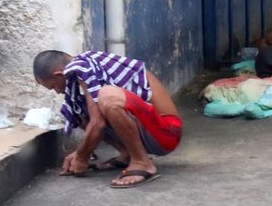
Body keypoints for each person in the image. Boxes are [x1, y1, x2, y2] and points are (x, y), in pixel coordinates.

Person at [33, 50, 182, 189]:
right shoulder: (84, 69)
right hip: (150, 130)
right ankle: (127, 155)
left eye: (53, 86)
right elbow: (94, 119)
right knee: (79, 107)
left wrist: (82, 156)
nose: (58, 91)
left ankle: (142, 162)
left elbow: (98, 123)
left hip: (167, 133)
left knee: (108, 96)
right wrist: (81, 152)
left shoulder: (84, 67)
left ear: (59, 74)